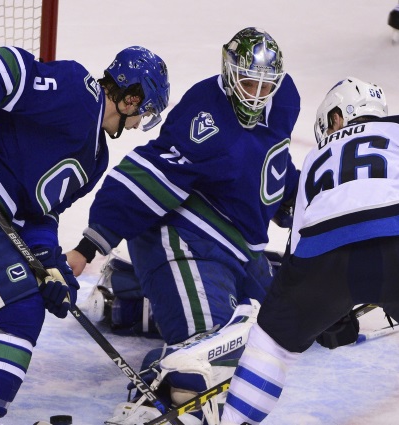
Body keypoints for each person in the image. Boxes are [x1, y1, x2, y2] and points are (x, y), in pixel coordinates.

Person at [0, 45, 169, 424]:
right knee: (18, 308)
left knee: (8, 293)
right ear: (130, 98)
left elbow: (40, 213)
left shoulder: (96, 158)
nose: (140, 123)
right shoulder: (76, 90)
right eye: (144, 112)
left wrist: (49, 265)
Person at [218, 76, 399, 425]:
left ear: (338, 116)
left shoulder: (314, 156)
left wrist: (326, 312)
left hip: (318, 261)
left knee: (271, 347)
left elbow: (297, 250)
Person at [66, 27, 302, 424]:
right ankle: (155, 383)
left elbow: (268, 163)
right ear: (229, 73)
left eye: (265, 87)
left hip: (244, 249)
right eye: (247, 82)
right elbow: (146, 174)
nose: (255, 95)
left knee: (283, 332)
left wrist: (297, 205)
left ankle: (130, 294)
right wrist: (86, 247)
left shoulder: (285, 101)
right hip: (186, 239)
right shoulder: (205, 115)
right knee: (207, 360)